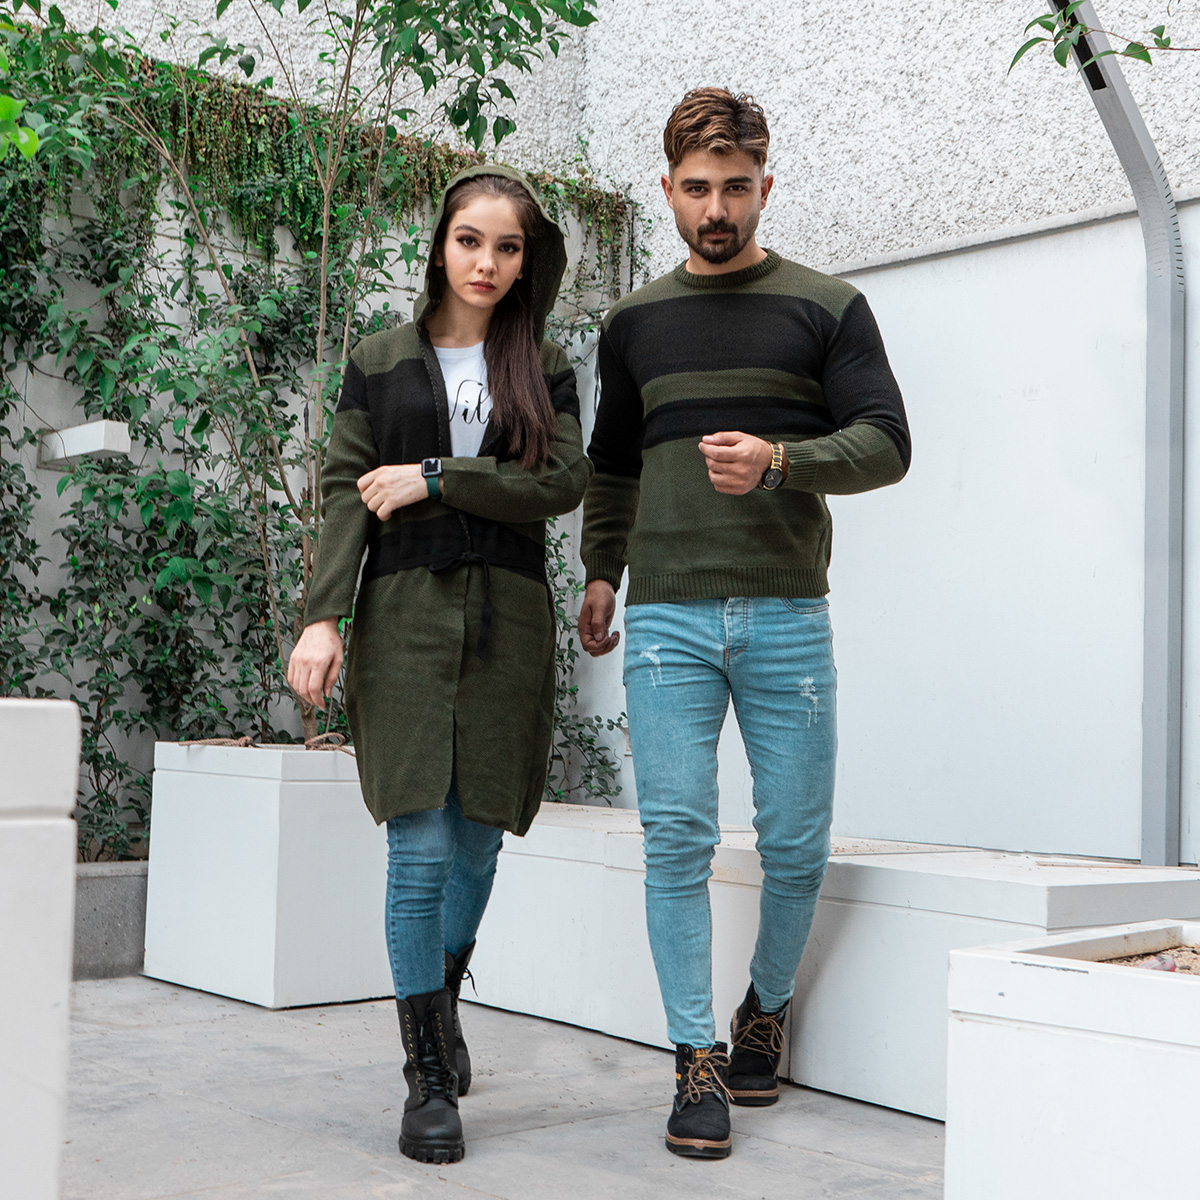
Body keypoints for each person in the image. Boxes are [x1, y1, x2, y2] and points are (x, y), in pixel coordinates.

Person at [578, 88, 911, 1159]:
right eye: (696, 188)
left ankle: (765, 1008)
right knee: (675, 839)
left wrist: (781, 461)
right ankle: (695, 1059)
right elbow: (613, 465)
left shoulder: (827, 307)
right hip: (667, 618)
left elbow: (887, 443)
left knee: (796, 842)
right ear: (667, 190)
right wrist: (600, 572)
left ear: (766, 185)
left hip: (786, 615)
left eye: (734, 187)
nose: (715, 208)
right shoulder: (634, 324)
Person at [288, 165, 590, 1166]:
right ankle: (426, 1070)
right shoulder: (380, 361)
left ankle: (442, 1001)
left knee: (479, 839)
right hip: (406, 616)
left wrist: (435, 477)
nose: (486, 263)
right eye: (470, 240)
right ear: (440, 244)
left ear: (526, 260)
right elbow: (346, 489)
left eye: (507, 247)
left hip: (508, 619)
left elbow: (560, 481)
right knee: (419, 844)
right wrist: (323, 618)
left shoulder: (542, 363)